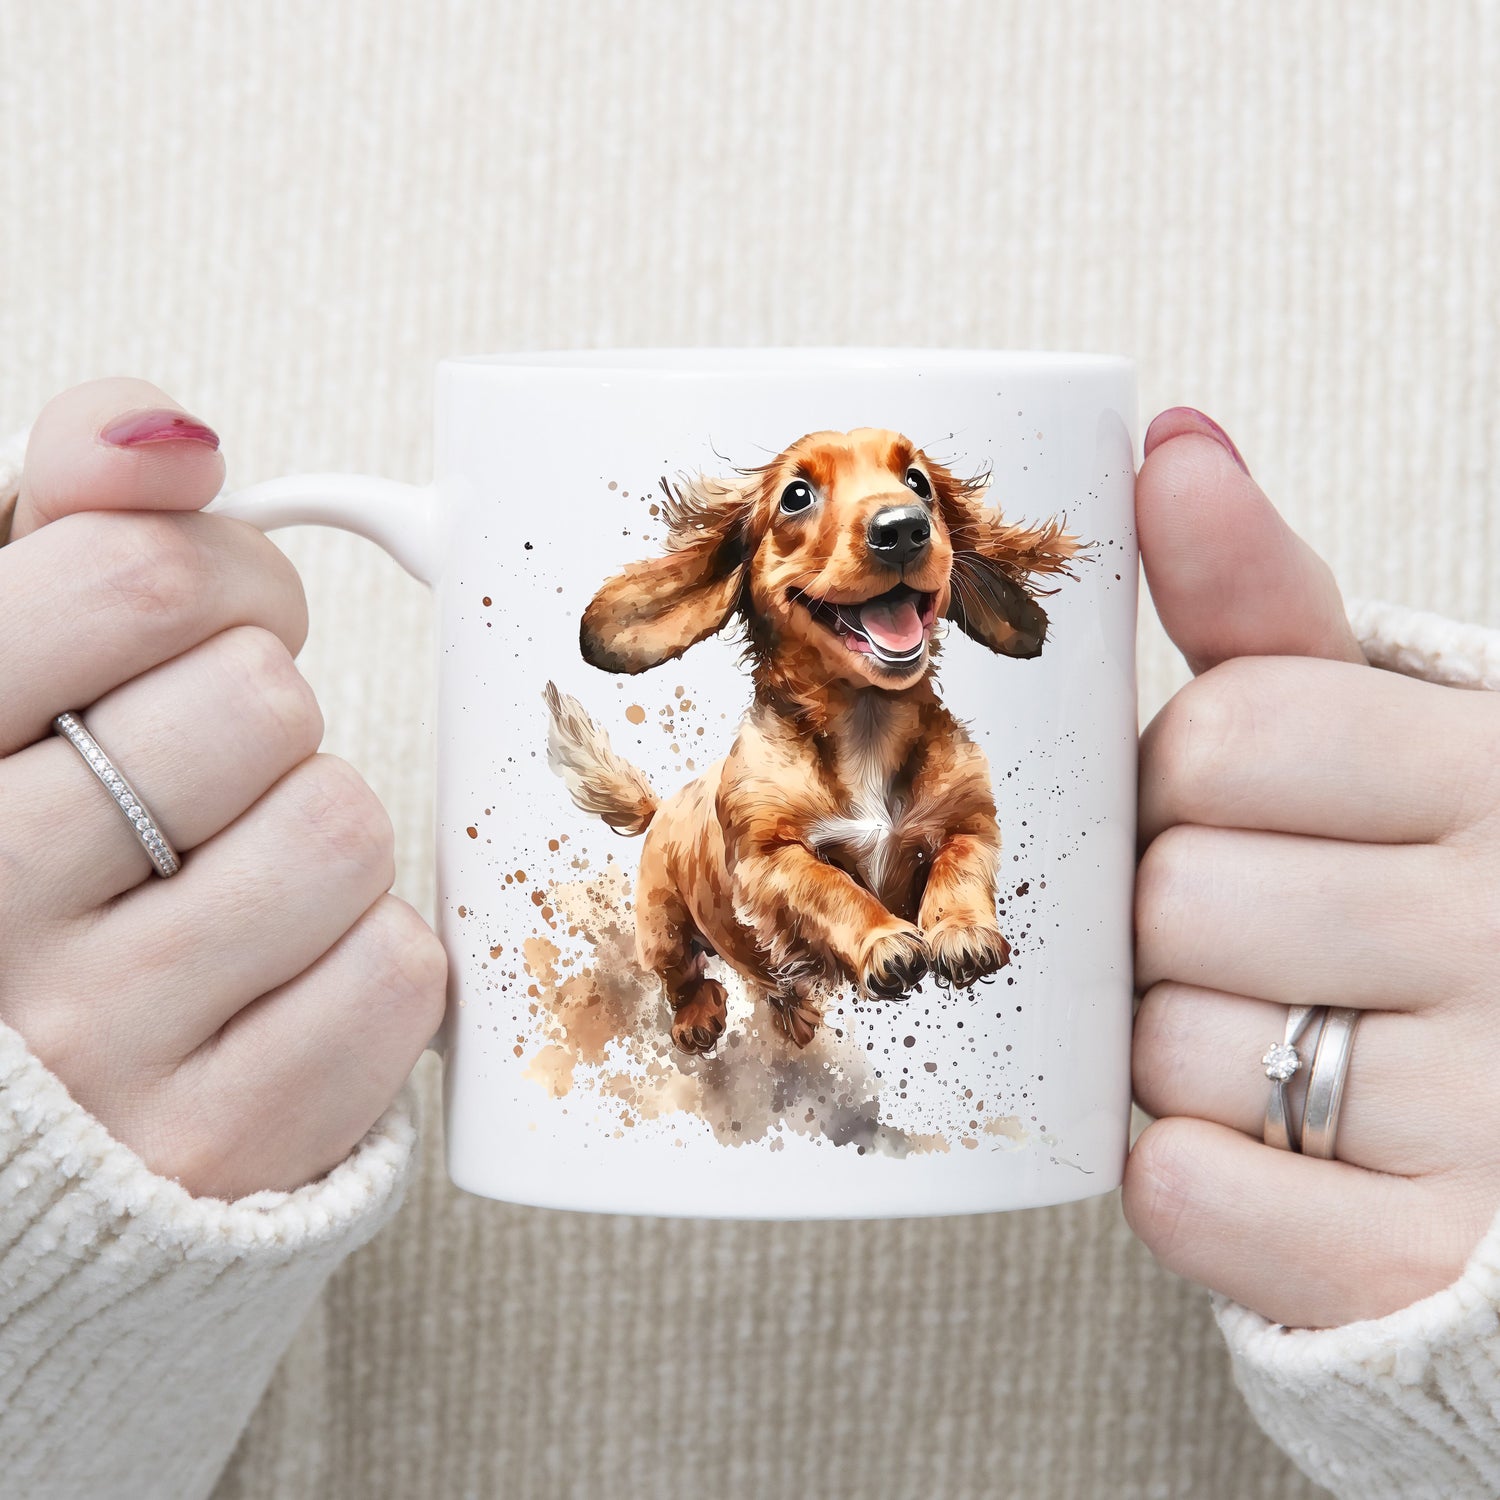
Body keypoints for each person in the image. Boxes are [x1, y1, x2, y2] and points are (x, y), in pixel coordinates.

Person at [0, 381, 1497, 1500]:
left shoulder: (947, 754)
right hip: (704, 873)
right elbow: (763, 860)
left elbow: (964, 835)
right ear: (739, 576)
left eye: (909, 497)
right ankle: (693, 980)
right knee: (688, 937)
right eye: (809, 502)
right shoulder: (753, 785)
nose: (888, 521)